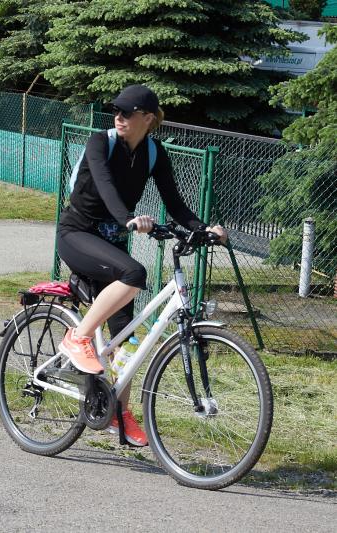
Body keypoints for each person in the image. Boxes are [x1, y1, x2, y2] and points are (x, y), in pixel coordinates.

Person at [55, 84, 227, 447]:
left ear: (147, 119)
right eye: (116, 111)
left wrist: (203, 229)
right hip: (77, 234)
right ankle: (78, 337)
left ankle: (118, 412)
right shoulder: (99, 143)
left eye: (127, 113)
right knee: (135, 272)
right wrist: (128, 219)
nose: (119, 117)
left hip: (111, 245)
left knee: (127, 340)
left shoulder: (153, 152)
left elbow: (175, 203)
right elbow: (105, 187)